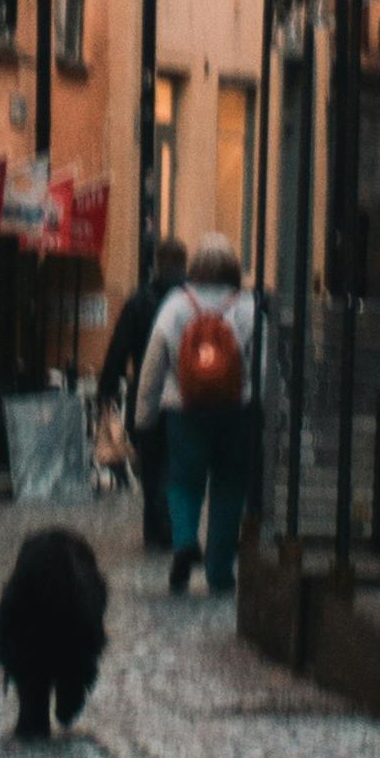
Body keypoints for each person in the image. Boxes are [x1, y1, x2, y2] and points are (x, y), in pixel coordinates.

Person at [134, 228, 263, 601]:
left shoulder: (176, 304)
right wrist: (263, 404)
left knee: (183, 480)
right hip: (234, 412)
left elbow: (153, 363)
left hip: (183, 411)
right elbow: (264, 364)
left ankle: (185, 542)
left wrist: (144, 415)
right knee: (228, 487)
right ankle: (220, 572)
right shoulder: (246, 306)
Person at [95, 235, 185, 554]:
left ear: (158, 264)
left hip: (145, 394)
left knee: (151, 461)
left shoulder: (140, 300)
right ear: (183, 264)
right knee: (175, 463)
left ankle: (155, 528)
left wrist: (106, 389)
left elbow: (119, 348)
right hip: (184, 397)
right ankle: (170, 527)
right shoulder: (191, 302)